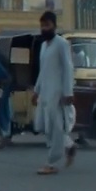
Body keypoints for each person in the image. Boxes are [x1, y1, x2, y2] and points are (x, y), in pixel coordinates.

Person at [32, 11, 75, 175]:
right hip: (45, 93)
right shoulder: (44, 46)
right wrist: (36, 91)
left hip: (58, 93)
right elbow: (43, 71)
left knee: (55, 127)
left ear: (54, 26)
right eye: (42, 26)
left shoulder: (62, 44)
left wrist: (68, 91)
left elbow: (68, 68)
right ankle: (69, 146)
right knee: (45, 126)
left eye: (47, 25)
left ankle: (51, 162)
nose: (44, 28)